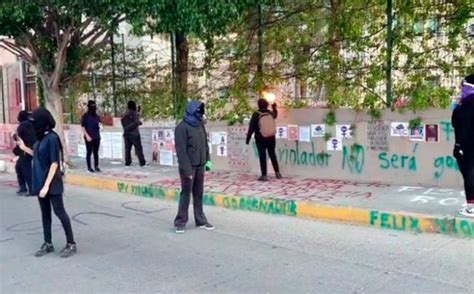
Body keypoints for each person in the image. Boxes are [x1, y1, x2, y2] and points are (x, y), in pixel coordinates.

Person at [18, 107, 77, 258]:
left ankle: (71, 243)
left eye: (35, 122)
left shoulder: (52, 138)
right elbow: (37, 155)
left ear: (43, 122)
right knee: (45, 214)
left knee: (59, 212)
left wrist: (46, 186)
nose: (33, 125)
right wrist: (24, 148)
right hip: (40, 182)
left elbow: (54, 163)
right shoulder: (39, 140)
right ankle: (48, 243)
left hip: (52, 183)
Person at [174, 101, 214, 233]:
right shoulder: (182, 127)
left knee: (198, 194)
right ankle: (180, 221)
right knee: (186, 194)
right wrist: (187, 170)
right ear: (192, 111)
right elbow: (181, 151)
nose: (200, 114)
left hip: (200, 164)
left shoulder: (200, 125)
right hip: (189, 167)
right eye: (198, 111)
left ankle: (200, 220)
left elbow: (205, 144)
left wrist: (207, 160)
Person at [452, 74, 474, 218]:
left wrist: (459, 147)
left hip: (467, 147)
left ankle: (471, 208)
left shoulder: (466, 104)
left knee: (470, 175)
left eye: (463, 86)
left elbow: (459, 125)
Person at [246, 98, 282, 181]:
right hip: (271, 137)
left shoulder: (256, 114)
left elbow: (251, 127)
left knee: (262, 156)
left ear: (259, 105)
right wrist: (274, 107)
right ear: (266, 105)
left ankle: (264, 175)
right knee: (272, 154)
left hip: (260, 138)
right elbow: (275, 115)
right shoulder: (269, 113)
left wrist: (248, 138)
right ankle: (277, 173)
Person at [13, 110, 35, 196]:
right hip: (30, 149)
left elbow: (18, 138)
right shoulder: (31, 123)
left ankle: (30, 189)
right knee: (19, 168)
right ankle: (23, 188)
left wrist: (14, 136)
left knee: (26, 170)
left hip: (25, 151)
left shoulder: (22, 126)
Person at [121, 100, 147, 167]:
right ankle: (142, 163)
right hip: (134, 134)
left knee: (127, 150)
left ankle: (128, 162)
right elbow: (136, 122)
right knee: (138, 149)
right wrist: (138, 123)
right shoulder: (134, 113)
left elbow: (123, 121)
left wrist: (127, 128)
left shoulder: (125, 113)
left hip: (126, 134)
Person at [81, 100, 101, 173]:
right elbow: (83, 126)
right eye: (92, 106)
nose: (94, 107)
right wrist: (87, 136)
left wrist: (101, 127)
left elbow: (99, 124)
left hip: (97, 136)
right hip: (88, 136)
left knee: (96, 152)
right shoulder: (85, 116)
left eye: (94, 106)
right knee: (89, 152)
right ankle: (89, 167)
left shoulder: (97, 116)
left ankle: (96, 166)